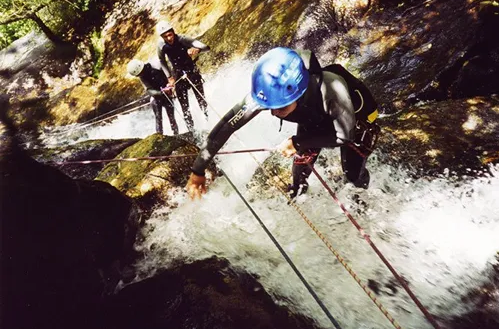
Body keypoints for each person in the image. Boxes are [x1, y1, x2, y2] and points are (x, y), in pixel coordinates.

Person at [185, 47, 380, 200]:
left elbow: (343, 136)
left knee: (352, 175)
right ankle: (298, 196)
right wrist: (197, 170)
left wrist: (298, 142)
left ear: (298, 92)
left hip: (357, 122)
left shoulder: (332, 91)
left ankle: (362, 203)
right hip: (312, 117)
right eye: (269, 106)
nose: (273, 112)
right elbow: (228, 125)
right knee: (299, 173)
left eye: (279, 107)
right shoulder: (270, 91)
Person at [156, 20, 210, 132]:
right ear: (162, 37)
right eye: (165, 37)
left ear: (173, 32)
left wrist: (196, 50)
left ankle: (209, 122)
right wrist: (169, 77)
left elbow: (206, 47)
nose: (169, 38)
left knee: (201, 100)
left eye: (170, 35)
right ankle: (192, 130)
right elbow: (162, 61)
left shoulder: (183, 39)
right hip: (178, 75)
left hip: (191, 71)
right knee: (185, 107)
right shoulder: (161, 45)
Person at [127, 58, 179, 135]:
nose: (139, 76)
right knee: (158, 119)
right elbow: (149, 90)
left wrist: (170, 83)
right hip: (157, 98)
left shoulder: (156, 64)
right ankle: (159, 137)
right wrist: (161, 92)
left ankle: (176, 134)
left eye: (139, 74)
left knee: (172, 118)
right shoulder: (142, 77)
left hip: (167, 95)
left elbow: (169, 72)